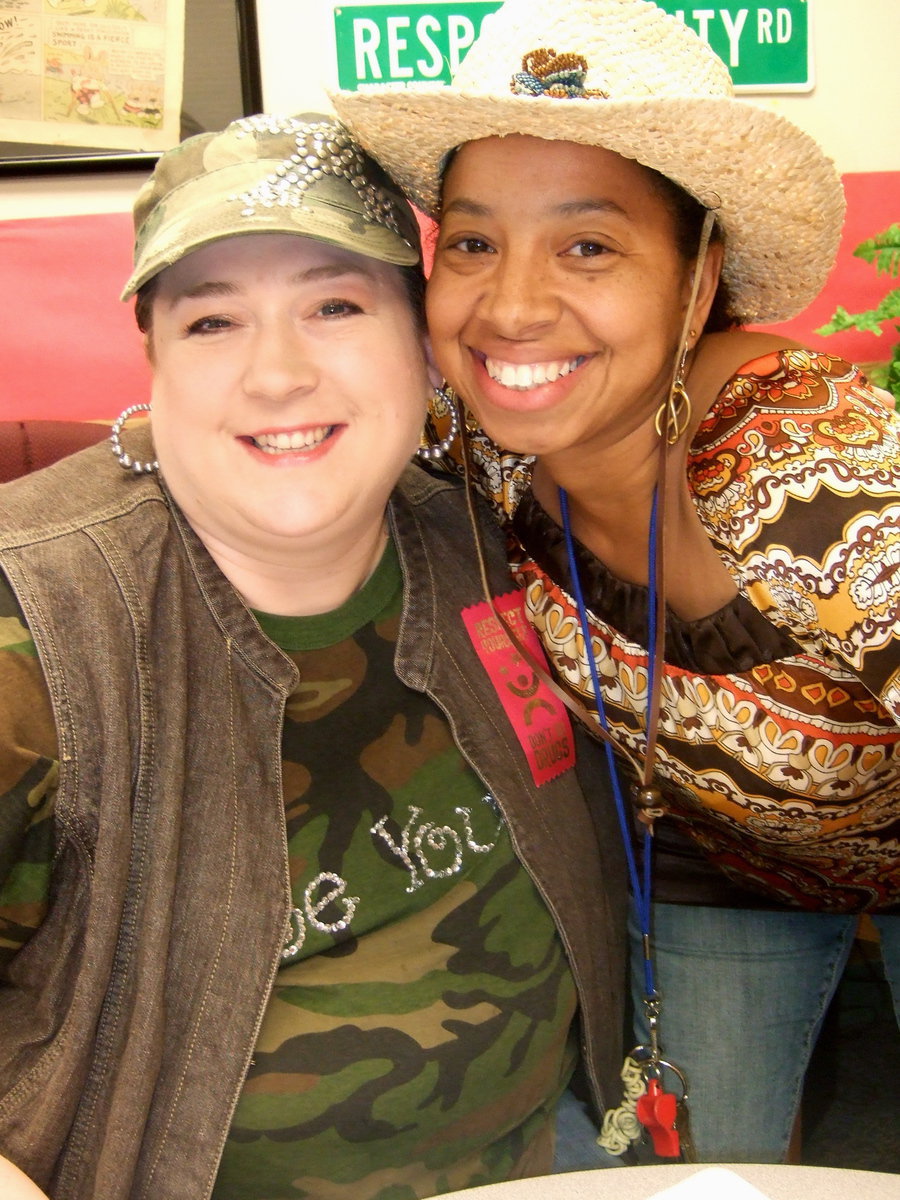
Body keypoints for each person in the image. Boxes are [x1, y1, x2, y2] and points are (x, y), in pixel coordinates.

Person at [0, 113, 628, 1199]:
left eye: (335, 306)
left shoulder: (485, 538)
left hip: (550, 1156)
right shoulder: (37, 633)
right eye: (212, 322)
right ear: (154, 360)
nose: (279, 374)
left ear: (422, 339)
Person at [332, 0, 900, 1165]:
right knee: (666, 1173)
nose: (512, 306)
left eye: (587, 245)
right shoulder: (468, 439)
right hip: (708, 859)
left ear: (699, 280)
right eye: (473, 244)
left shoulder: (810, 466)